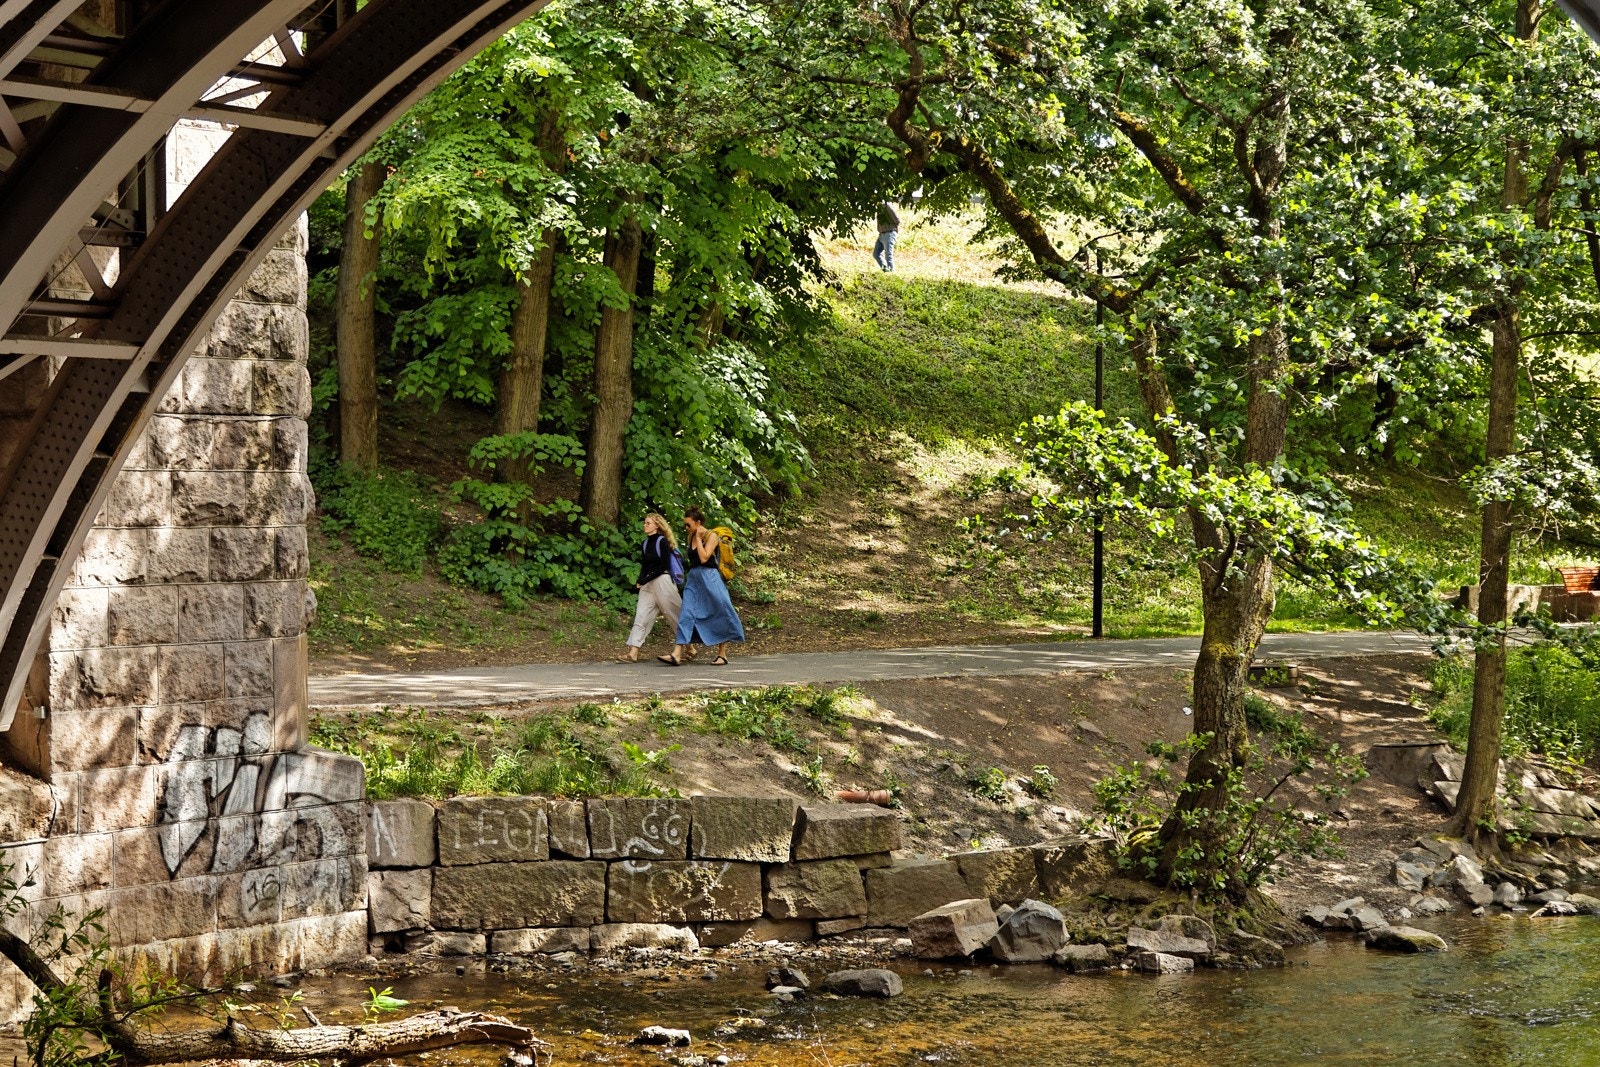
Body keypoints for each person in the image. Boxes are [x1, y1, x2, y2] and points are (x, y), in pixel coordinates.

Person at [659, 508, 745, 666]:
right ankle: (677, 653)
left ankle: (722, 654)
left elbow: (704, 557)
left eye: (688, 524)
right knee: (686, 613)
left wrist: (699, 539)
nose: (686, 528)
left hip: (709, 577)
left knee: (720, 611)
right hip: (694, 578)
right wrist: (694, 536)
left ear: (698, 523)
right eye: (685, 525)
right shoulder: (691, 534)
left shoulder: (711, 535)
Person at [620, 513, 683, 662]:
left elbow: (664, 565)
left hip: (663, 581)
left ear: (657, 525)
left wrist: (646, 578)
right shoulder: (645, 543)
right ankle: (633, 652)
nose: (645, 525)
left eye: (648, 523)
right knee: (641, 615)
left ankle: (689, 647)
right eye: (645, 523)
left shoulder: (662, 542)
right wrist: (640, 579)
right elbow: (645, 565)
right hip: (649, 584)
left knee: (673, 614)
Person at [873, 199, 900, 273]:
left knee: (888, 256)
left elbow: (897, 220)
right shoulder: (878, 208)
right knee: (876, 254)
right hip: (882, 234)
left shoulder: (886, 205)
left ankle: (891, 274)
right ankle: (886, 271)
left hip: (889, 233)